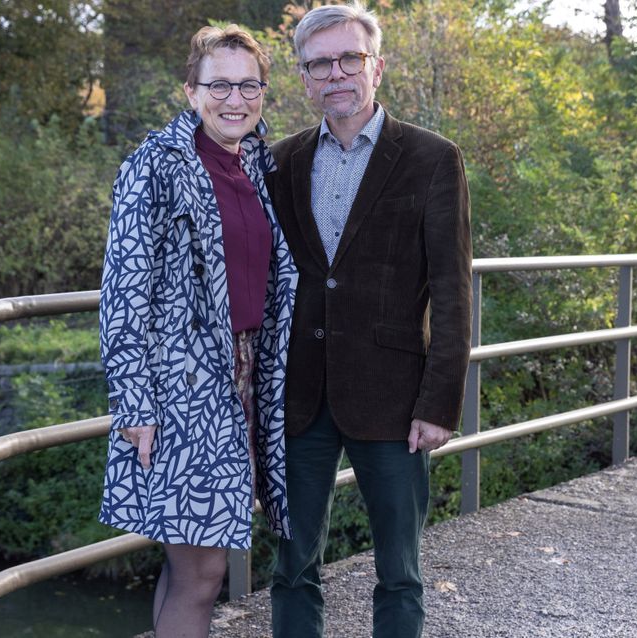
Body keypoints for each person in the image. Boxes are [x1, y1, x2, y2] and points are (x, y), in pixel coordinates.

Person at [266, 2, 472, 637]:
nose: (336, 74)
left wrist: (439, 403)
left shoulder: (433, 159)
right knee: (293, 566)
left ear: (375, 66)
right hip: (299, 398)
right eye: (319, 64)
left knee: (400, 571)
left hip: (394, 398)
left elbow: (453, 289)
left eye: (348, 58)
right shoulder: (280, 161)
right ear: (304, 78)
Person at [97, 24, 298, 638]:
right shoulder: (154, 166)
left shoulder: (258, 163)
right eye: (219, 85)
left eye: (248, 85)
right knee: (204, 571)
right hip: (178, 387)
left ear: (263, 92)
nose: (234, 99)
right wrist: (136, 403)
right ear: (191, 90)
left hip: (243, 381)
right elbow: (123, 291)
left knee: (188, 565)